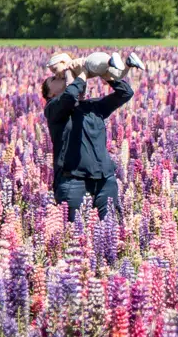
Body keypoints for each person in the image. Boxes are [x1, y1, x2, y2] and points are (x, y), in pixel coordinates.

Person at [41, 50, 139, 222]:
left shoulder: (93, 106)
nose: (61, 77)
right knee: (74, 237)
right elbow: (70, 96)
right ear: (50, 94)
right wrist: (83, 72)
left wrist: (105, 74)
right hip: (72, 182)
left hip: (104, 180)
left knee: (110, 230)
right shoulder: (53, 109)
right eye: (54, 79)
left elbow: (126, 93)